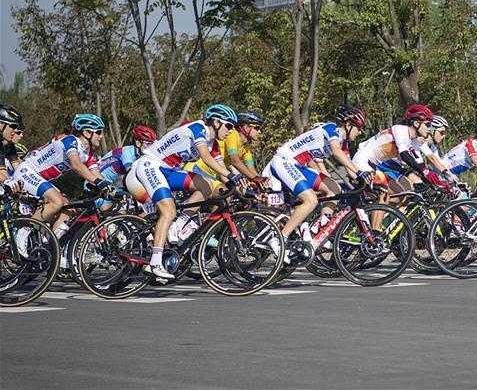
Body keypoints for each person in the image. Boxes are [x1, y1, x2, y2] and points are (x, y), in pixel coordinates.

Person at [125, 104, 244, 280]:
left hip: (168, 170)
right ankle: (155, 262)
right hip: (150, 165)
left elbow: (220, 170)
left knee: (206, 185)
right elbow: (206, 157)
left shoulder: (215, 144)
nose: (230, 131)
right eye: (229, 126)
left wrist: (239, 188)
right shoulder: (198, 129)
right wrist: (231, 175)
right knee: (168, 210)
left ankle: (180, 225)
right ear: (216, 122)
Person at [262, 106, 368, 263]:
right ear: (347, 124)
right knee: (311, 200)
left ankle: (321, 225)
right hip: (285, 161)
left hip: (299, 166)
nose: (360, 132)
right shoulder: (331, 129)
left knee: (334, 188)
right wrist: (360, 172)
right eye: (359, 127)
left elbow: (349, 167)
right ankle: (280, 238)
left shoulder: (342, 142)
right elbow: (337, 154)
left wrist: (367, 181)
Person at [12, 114, 112, 253]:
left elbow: (96, 174)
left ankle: (53, 248)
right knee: (57, 201)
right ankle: (23, 232)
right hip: (26, 172)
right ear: (87, 132)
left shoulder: (89, 152)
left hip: (41, 179)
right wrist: (97, 182)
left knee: (69, 209)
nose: (101, 136)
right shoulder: (71, 141)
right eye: (99, 132)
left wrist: (111, 190)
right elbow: (76, 165)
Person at [352, 104, 448, 194]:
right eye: (428, 125)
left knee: (399, 196)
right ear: (416, 123)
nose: (429, 128)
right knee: (383, 195)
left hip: (373, 165)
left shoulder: (413, 141)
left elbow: (419, 164)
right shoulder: (400, 130)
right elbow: (404, 155)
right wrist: (425, 172)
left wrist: (436, 182)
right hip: (362, 161)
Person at [90, 125, 158, 208]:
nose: (151, 148)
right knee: (112, 211)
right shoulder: (128, 152)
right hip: (96, 182)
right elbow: (131, 174)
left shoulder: (140, 155)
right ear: (138, 143)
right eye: (148, 144)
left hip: (109, 184)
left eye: (153, 145)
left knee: (131, 208)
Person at [0, 104, 26, 189]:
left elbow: (19, 171)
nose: (14, 131)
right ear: (1, 124)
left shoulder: (7, 146)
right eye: (13, 126)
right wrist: (7, 182)